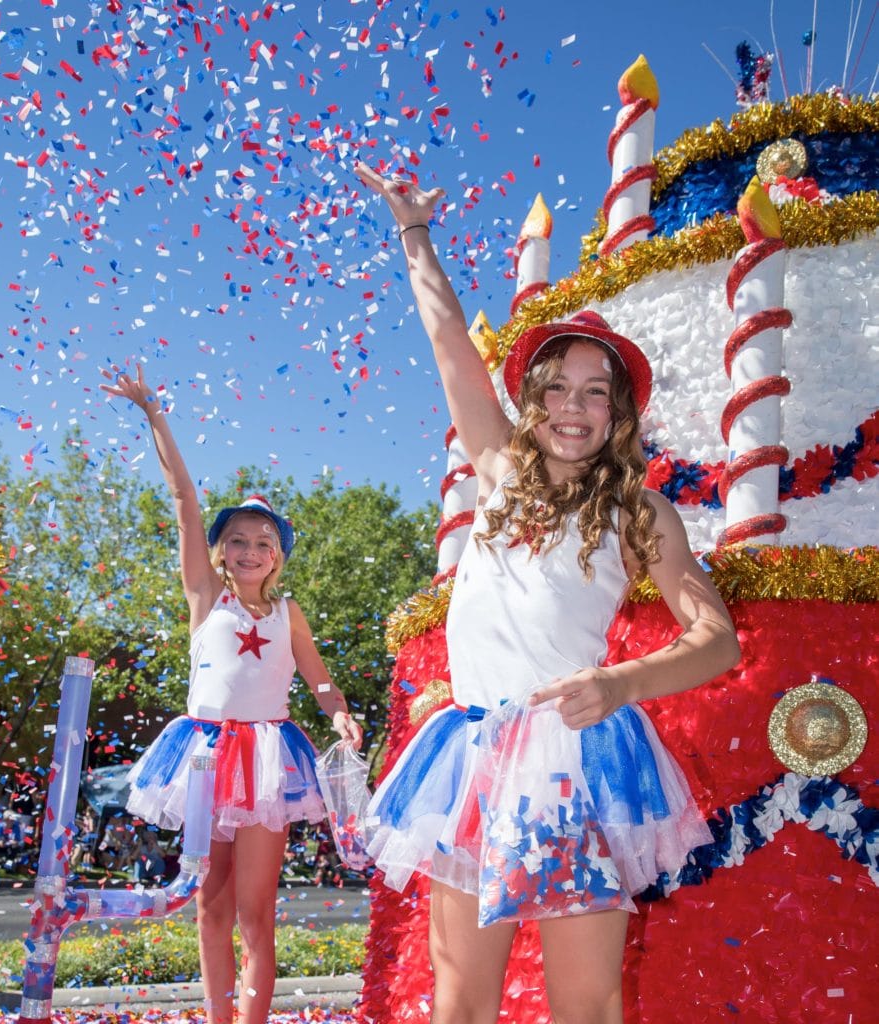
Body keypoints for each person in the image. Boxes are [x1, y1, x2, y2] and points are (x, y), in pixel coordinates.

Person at [355, 163, 741, 1024]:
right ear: (529, 401)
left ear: (618, 414)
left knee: (586, 997)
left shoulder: (640, 512)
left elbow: (716, 639)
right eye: (557, 387)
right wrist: (415, 233)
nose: (574, 406)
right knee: (458, 995)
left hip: (574, 760)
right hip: (469, 757)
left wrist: (618, 684)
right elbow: (452, 343)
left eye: (595, 393)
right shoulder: (495, 470)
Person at [101, 365, 363, 1024]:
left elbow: (318, 677)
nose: (250, 551)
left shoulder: (288, 613)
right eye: (238, 541)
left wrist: (338, 714)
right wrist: (154, 416)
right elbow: (184, 496)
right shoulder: (204, 598)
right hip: (203, 758)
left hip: (269, 760)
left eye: (263, 543)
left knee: (254, 910)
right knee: (207, 904)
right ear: (219, 553)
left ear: (279, 557)